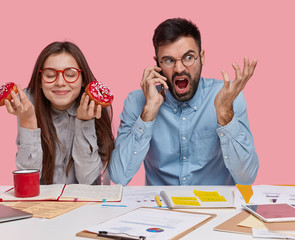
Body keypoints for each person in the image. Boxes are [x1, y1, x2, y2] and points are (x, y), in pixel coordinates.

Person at [108, 18, 259, 186]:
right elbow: (119, 177)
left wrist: (225, 114)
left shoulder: (227, 97)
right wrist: (148, 113)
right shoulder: (137, 102)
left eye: (188, 57)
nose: (179, 69)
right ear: (157, 64)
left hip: (217, 208)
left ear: (201, 57)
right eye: (168, 60)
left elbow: (246, 177)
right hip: (161, 209)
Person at [5, 41, 114, 185]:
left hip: (85, 202)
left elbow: (88, 180)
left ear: (83, 80)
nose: (60, 82)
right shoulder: (27, 103)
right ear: (40, 81)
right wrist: (28, 121)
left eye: (70, 74)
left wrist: (84, 122)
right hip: (44, 203)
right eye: (50, 75)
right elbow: (28, 181)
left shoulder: (95, 105)